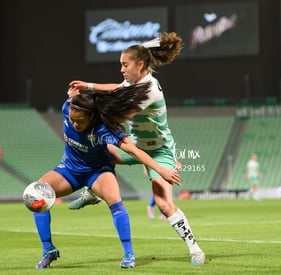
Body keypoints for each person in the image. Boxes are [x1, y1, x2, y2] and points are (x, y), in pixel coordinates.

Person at [68, 32, 205, 265]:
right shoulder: (134, 82)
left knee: (163, 203)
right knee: (98, 149)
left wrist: (85, 104)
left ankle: (195, 249)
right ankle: (93, 191)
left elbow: (121, 113)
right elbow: (117, 89)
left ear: (139, 64)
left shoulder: (149, 89)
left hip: (160, 150)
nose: (121, 69)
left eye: (125, 64)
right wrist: (89, 86)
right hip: (138, 144)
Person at [32, 82, 180, 269]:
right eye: (72, 119)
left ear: (92, 117)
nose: (74, 124)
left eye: (80, 121)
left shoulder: (105, 129)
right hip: (70, 169)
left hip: (98, 171)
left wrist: (162, 170)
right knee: (39, 194)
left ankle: (128, 254)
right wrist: (72, 94)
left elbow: (135, 151)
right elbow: (72, 99)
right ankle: (48, 250)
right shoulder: (68, 108)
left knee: (115, 200)